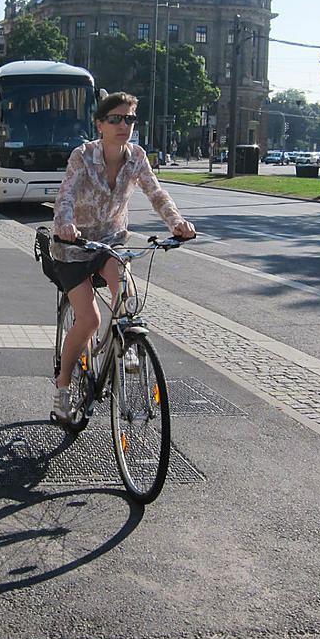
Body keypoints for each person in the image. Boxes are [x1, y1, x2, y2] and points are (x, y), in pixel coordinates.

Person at [49, 92, 196, 423]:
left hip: (111, 244)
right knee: (90, 320)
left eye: (129, 119)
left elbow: (157, 193)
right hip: (74, 247)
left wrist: (177, 223)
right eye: (115, 119)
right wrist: (66, 224)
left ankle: (126, 343)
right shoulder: (83, 155)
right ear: (100, 123)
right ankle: (62, 388)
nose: (123, 125)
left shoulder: (138, 158)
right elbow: (66, 196)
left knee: (126, 296)